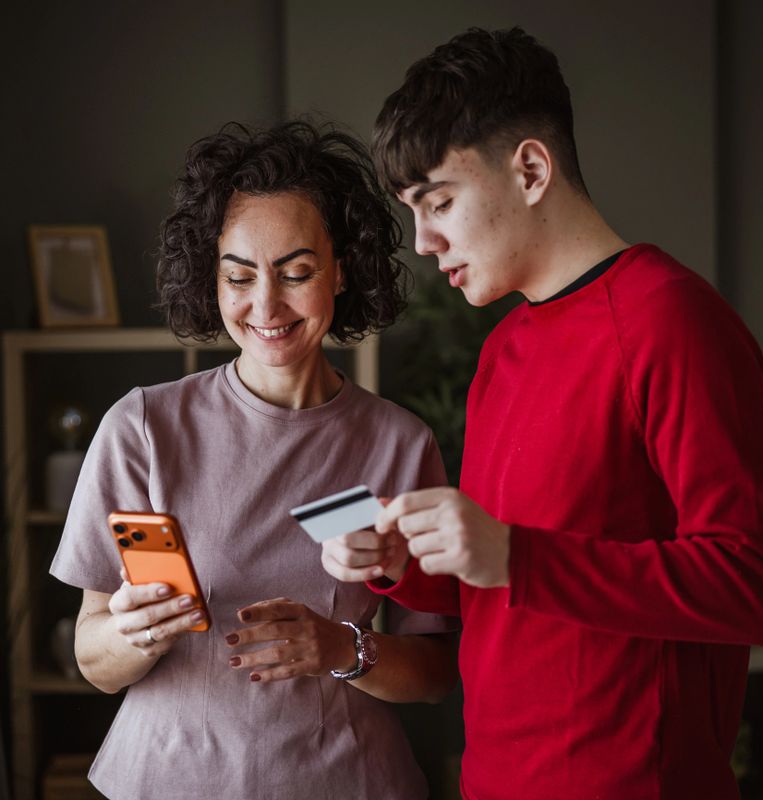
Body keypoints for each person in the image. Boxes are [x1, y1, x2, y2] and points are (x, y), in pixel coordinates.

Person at [320, 27, 763, 800]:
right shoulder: (502, 349)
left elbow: (758, 588)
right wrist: (405, 563)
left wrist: (517, 556)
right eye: (413, 212)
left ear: (532, 170)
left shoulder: (673, 321)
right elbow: (508, 590)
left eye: (440, 202)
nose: (424, 241)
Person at [49, 120, 459, 800]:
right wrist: (132, 634)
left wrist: (342, 649)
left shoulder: (398, 443)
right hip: (166, 778)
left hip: (344, 780)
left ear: (341, 269)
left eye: (296, 273)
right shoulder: (144, 428)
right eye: (239, 276)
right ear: (211, 277)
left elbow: (436, 673)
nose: (266, 305)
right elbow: (94, 661)